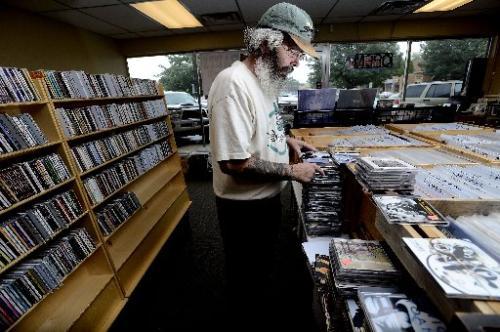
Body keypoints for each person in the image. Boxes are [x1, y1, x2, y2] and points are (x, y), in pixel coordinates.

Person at [207, 2, 322, 327]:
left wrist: (287, 141)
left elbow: (261, 127)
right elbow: (234, 162)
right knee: (246, 282)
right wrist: (292, 170)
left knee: (261, 273)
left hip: (266, 200)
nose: (297, 62)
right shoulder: (233, 84)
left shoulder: (263, 81)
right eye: (293, 51)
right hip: (244, 210)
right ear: (265, 43)